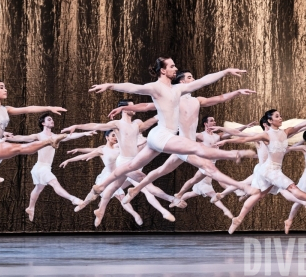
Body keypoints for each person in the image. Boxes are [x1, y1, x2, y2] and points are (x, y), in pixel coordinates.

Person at [86, 58, 256, 200]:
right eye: (172, 66)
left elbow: (204, 81)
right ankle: (235, 156)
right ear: (162, 70)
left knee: (132, 165)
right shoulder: (155, 87)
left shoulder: (178, 89)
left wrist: (225, 72)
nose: (175, 68)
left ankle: (100, 185)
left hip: (160, 136)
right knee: (199, 148)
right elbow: (133, 87)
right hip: (162, 135)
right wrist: (110, 86)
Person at [214, 109, 306, 234]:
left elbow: (300, 126)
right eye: (277, 116)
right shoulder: (265, 135)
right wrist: (227, 140)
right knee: (291, 187)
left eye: (280, 116)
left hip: (272, 169)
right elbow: (242, 138)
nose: (280, 118)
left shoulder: (285, 132)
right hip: (268, 169)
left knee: (259, 195)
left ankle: (238, 219)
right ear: (269, 121)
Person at [62, 99, 176, 226]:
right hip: (125, 162)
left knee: (113, 188)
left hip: (134, 161)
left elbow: (147, 124)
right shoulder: (117, 124)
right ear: (124, 109)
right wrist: (77, 127)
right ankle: (171, 199)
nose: (136, 108)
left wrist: (160, 115)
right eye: (133, 107)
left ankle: (100, 211)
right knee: (146, 182)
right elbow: (96, 126)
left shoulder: (136, 125)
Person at [5, 113, 96, 221]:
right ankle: (73, 199)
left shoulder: (55, 136)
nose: (52, 121)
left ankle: (30, 207)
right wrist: (6, 137)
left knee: (38, 188)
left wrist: (85, 133)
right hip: (41, 167)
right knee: (54, 183)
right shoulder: (38, 136)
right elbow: (23, 138)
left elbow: (70, 136)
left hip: (42, 168)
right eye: (49, 119)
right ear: (43, 123)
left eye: (52, 119)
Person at [59, 131, 149, 225]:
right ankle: (84, 204)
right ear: (107, 137)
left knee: (120, 196)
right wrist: (70, 159)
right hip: (107, 174)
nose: (115, 138)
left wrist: (146, 140)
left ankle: (135, 215)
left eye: (116, 136)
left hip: (118, 175)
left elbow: (134, 145)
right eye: (113, 135)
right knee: (95, 192)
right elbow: (87, 153)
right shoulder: (102, 149)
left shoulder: (119, 146)